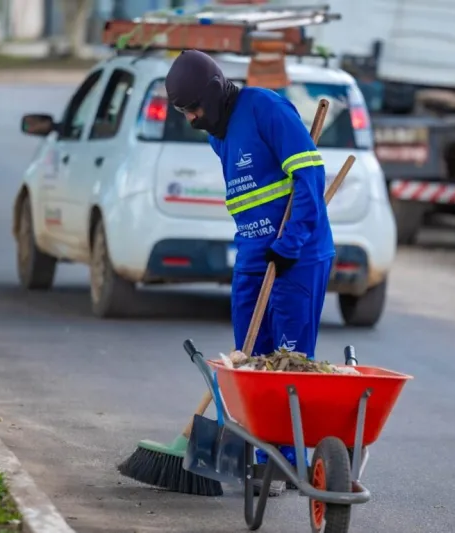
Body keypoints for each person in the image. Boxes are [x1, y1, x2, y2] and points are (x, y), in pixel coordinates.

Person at [166, 50, 335, 495]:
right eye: (185, 112)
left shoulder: (266, 108)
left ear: (215, 92)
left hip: (297, 254)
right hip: (253, 254)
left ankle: (289, 460)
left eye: (194, 107)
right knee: (249, 358)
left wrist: (290, 244)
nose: (192, 117)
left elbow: (309, 177)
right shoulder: (218, 134)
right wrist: (258, 251)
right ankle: (261, 451)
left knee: (287, 360)